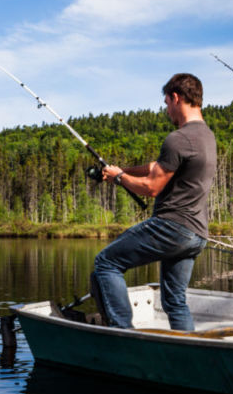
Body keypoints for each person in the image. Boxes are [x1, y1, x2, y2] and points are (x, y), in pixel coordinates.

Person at [93, 73, 217, 331]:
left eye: (166, 104)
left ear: (175, 97)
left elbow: (151, 187)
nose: (166, 110)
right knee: (174, 301)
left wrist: (119, 178)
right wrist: (121, 170)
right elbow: (158, 167)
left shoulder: (178, 138)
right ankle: (188, 350)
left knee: (106, 263)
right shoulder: (206, 137)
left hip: (172, 227)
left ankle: (121, 333)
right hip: (196, 234)